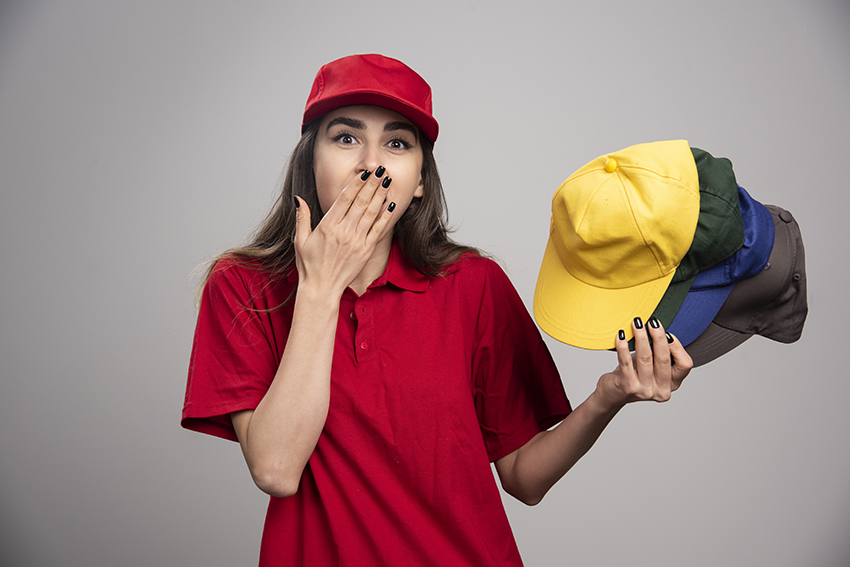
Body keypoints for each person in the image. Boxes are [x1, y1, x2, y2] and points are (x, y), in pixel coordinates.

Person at [181, 53, 693, 566]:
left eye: (398, 144)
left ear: (421, 179)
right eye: (345, 138)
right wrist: (322, 288)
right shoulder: (242, 287)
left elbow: (523, 476)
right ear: (309, 162)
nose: (370, 164)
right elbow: (275, 468)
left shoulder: (473, 284)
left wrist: (607, 397)